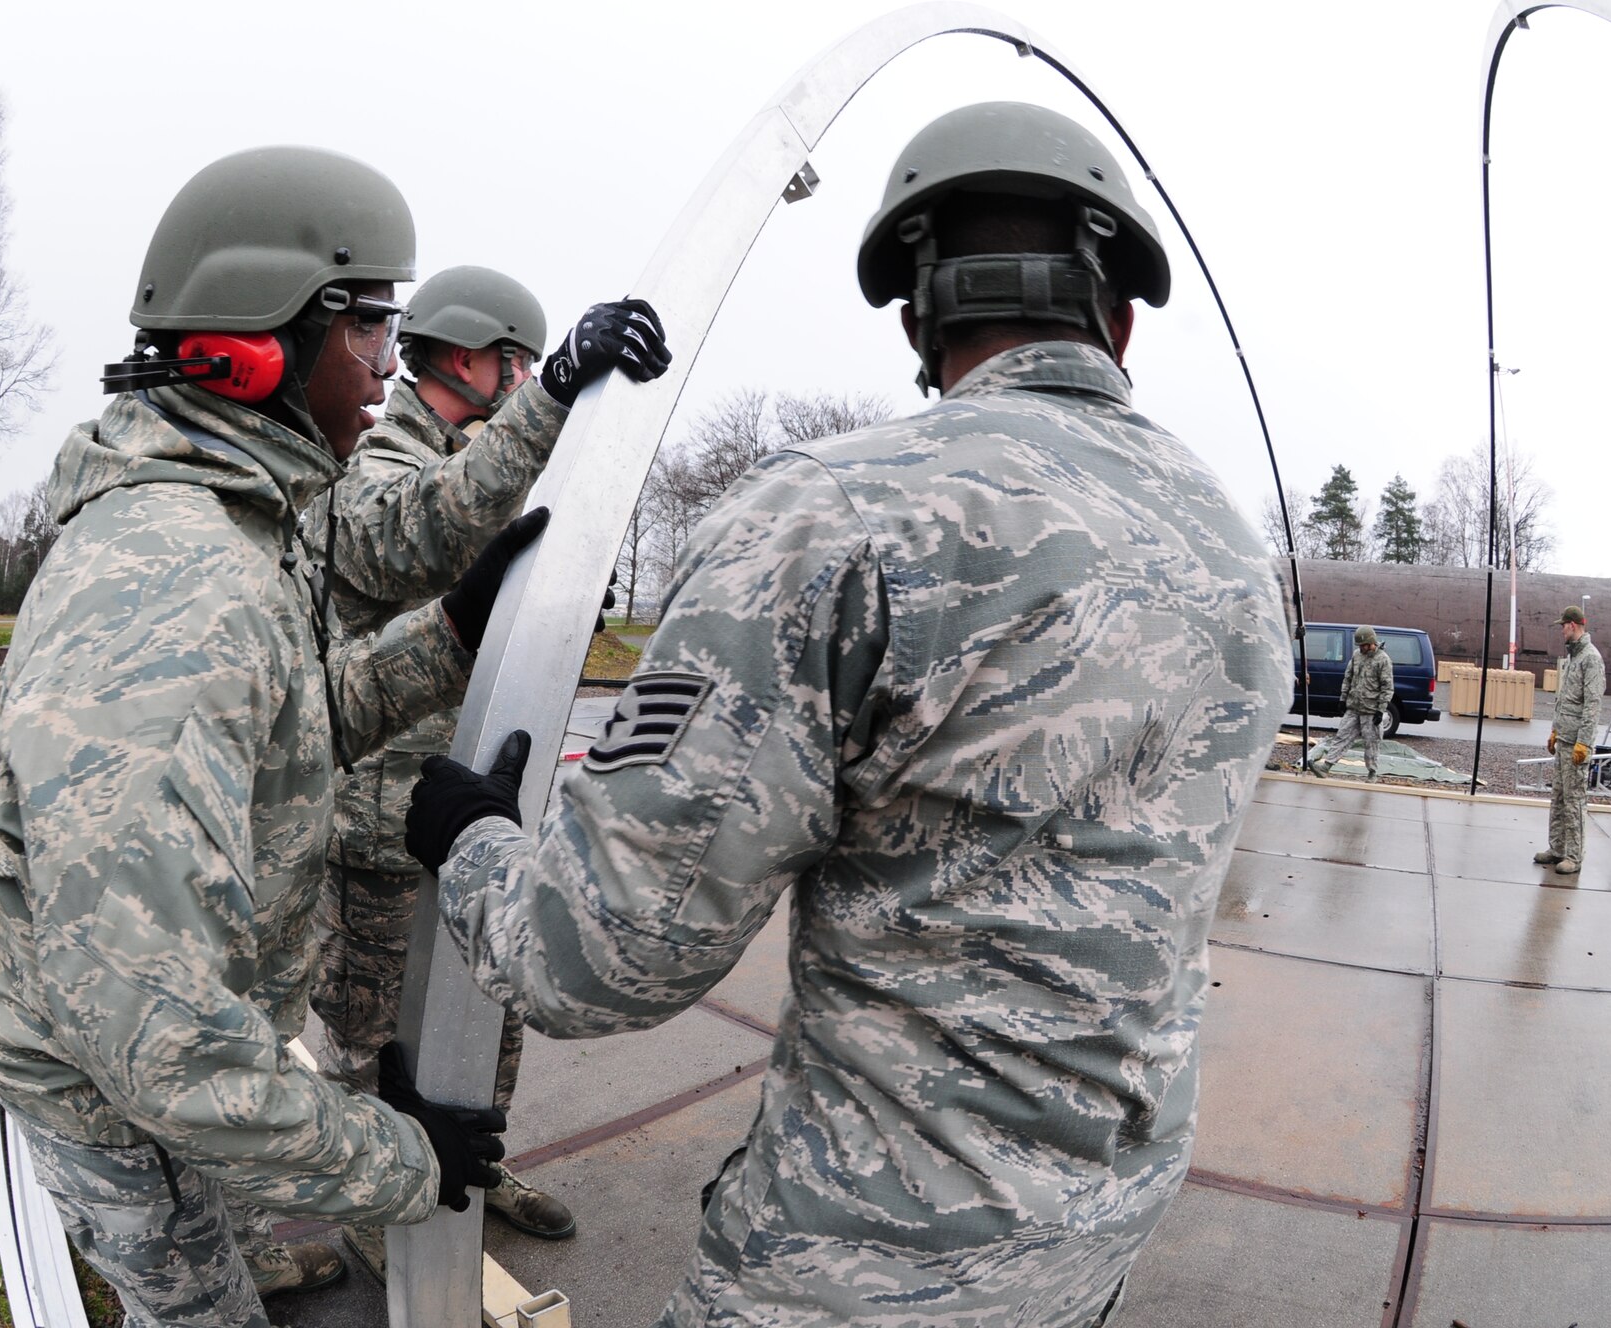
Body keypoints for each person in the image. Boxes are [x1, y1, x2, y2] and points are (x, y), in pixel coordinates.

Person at [404, 102, 1291, 1327]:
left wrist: (472, 841)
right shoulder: (1233, 551)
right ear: (1119, 316)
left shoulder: (833, 518)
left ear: (916, 312)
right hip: (1096, 1233)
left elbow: (592, 958)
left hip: (862, 1268)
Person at [0, 146, 536, 1327]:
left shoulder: (221, 526)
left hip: (127, 1064)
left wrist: (454, 632)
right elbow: (162, 1045)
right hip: (111, 1095)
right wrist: (400, 1154)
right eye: (369, 327)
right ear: (260, 342)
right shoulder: (183, 585)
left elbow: (285, 725)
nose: (384, 370)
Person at [308, 267, 670, 1271]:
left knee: (485, 1017)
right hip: (384, 823)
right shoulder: (381, 460)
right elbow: (414, 538)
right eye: (518, 363)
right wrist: (557, 389)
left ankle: (476, 1167)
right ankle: (370, 1198)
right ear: (472, 356)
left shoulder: (477, 459)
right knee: (367, 1036)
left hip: (471, 810)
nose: (520, 385)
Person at [1536, 605, 1604, 874]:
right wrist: (1555, 730)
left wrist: (1584, 742)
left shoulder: (1591, 658)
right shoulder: (1574, 657)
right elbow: (1565, 700)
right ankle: (1557, 849)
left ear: (1573, 625)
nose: (1561, 630)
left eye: (1563, 625)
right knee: (1559, 796)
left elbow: (1592, 705)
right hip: (1564, 738)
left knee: (1574, 799)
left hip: (1576, 742)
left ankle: (1573, 856)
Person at [1305, 625, 1395, 781]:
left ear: (1371, 642)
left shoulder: (1383, 660)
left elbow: (1387, 688)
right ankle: (1325, 767)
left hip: (1371, 710)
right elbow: (1348, 678)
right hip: (1353, 707)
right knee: (1342, 736)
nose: (1361, 648)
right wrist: (1343, 698)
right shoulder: (1356, 656)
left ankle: (1372, 773)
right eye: (1359, 646)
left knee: (1371, 742)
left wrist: (1381, 710)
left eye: (1363, 645)